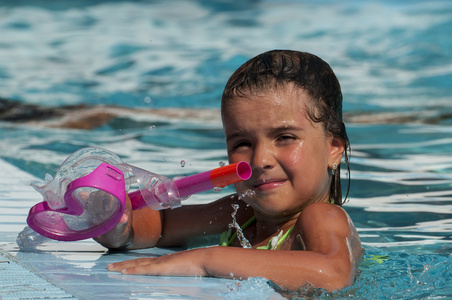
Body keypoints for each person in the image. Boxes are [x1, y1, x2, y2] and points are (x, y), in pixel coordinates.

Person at [99, 50, 363, 292]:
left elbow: (332, 274)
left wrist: (205, 260)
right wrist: (119, 227)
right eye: (243, 144)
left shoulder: (321, 217)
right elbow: (163, 225)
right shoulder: (239, 214)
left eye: (285, 137)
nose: (260, 159)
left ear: (333, 149)